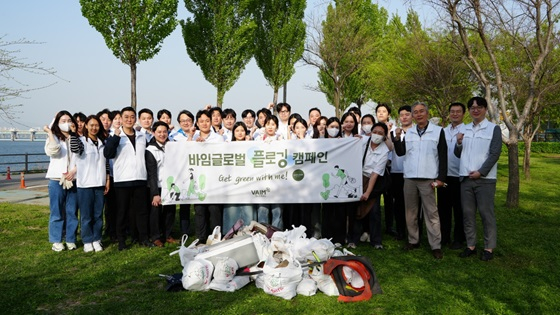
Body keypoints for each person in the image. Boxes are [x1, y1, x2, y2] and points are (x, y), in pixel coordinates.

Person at [394, 102, 447, 259]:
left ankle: (435, 245)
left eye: (421, 111)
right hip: (410, 177)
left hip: (428, 178)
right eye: (415, 112)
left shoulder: (438, 131)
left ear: (427, 113)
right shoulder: (409, 133)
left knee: (431, 213)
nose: (418, 114)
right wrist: (397, 139)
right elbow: (401, 152)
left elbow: (443, 156)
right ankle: (413, 240)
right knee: (410, 212)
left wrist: (441, 179)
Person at [455, 96, 502, 261]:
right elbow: (458, 154)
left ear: (485, 109)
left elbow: (495, 153)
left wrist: (481, 172)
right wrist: (459, 143)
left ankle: (489, 248)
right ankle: (471, 245)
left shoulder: (493, 128)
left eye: (479, 107)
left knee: (485, 213)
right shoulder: (465, 129)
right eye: (472, 108)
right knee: (468, 214)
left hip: (485, 180)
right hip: (466, 179)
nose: (475, 110)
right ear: (469, 111)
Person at [104, 106, 152, 250]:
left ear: (135, 118)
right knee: (122, 212)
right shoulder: (115, 136)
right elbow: (108, 154)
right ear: (120, 119)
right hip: (122, 180)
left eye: (132, 117)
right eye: (126, 117)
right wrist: (116, 137)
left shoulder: (142, 136)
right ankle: (122, 241)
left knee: (142, 211)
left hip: (140, 178)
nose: (129, 119)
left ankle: (143, 238)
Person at [70, 115, 110, 253]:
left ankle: (97, 239)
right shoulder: (81, 141)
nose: (94, 127)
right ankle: (87, 240)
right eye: (91, 125)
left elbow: (105, 163)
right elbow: (75, 149)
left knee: (98, 214)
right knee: (86, 215)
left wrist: (107, 180)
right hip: (85, 184)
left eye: (96, 125)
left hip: (99, 183)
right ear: (86, 126)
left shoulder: (102, 142)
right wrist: (73, 133)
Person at [44, 111, 79, 252]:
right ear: (57, 123)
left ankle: (70, 238)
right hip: (56, 179)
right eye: (63, 120)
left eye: (69, 120)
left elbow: (81, 158)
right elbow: (53, 151)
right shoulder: (54, 138)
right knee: (57, 210)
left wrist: (73, 172)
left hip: (73, 179)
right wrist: (50, 133)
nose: (66, 123)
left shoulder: (76, 138)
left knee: (72, 211)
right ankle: (56, 240)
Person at [192, 109, 224, 241]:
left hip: (214, 180)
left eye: (207, 121)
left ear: (211, 122)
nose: (204, 123)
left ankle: (216, 237)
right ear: (197, 123)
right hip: (198, 180)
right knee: (200, 210)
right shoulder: (193, 138)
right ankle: (201, 237)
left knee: (214, 210)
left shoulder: (218, 138)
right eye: (201, 121)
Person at [439, 102, 467, 249]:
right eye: (452, 111)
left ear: (463, 114)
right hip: (444, 176)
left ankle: (459, 238)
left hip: (460, 175)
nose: (455, 114)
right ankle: (444, 237)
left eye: (458, 111)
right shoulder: (443, 131)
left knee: (459, 209)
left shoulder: (467, 130)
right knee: (443, 209)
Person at [146, 121, 176, 247]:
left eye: (165, 132)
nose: (162, 134)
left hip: (171, 185)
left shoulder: (172, 146)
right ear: (153, 133)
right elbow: (151, 174)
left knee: (170, 211)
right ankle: (156, 237)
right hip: (156, 186)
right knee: (155, 212)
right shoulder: (150, 149)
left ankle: (167, 234)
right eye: (159, 132)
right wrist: (155, 194)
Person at [360, 122, 390, 249]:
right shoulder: (363, 141)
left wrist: (368, 192)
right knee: (357, 207)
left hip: (374, 181)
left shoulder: (384, 150)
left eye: (380, 133)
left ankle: (376, 240)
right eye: (375, 132)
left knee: (374, 209)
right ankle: (355, 237)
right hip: (359, 176)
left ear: (384, 137)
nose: (377, 135)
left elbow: (375, 174)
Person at [223, 122, 256, 231]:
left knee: (247, 209)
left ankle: (248, 232)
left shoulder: (251, 144)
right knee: (232, 209)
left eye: (242, 130)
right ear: (233, 133)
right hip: (232, 182)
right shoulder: (228, 145)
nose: (240, 133)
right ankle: (230, 232)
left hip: (248, 182)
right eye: (237, 131)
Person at [170, 109, 196, 236]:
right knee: (184, 204)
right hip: (181, 174)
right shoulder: (173, 137)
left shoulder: (199, 135)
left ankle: (201, 230)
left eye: (188, 120)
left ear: (193, 121)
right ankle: (184, 231)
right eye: (183, 121)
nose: (186, 123)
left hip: (198, 173)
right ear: (179, 123)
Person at [255, 115, 283, 229]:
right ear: (264, 125)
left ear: (276, 126)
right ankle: (263, 232)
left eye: (273, 124)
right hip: (262, 180)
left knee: (277, 209)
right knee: (263, 208)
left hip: (278, 180)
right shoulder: (258, 140)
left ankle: (277, 233)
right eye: (268, 124)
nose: (270, 127)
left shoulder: (281, 139)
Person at [390, 105, 413, 241]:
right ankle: (400, 231)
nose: (404, 117)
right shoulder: (393, 132)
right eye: (402, 115)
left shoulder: (416, 131)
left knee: (414, 205)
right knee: (398, 203)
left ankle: (414, 232)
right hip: (397, 171)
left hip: (412, 172)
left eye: (407, 114)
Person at [375, 103, 396, 237]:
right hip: (373, 170)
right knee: (375, 200)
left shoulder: (394, 129)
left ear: (388, 114)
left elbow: (391, 148)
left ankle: (389, 226)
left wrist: (387, 132)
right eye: (379, 111)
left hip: (388, 169)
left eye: (384, 111)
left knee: (389, 200)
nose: (381, 113)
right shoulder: (373, 129)